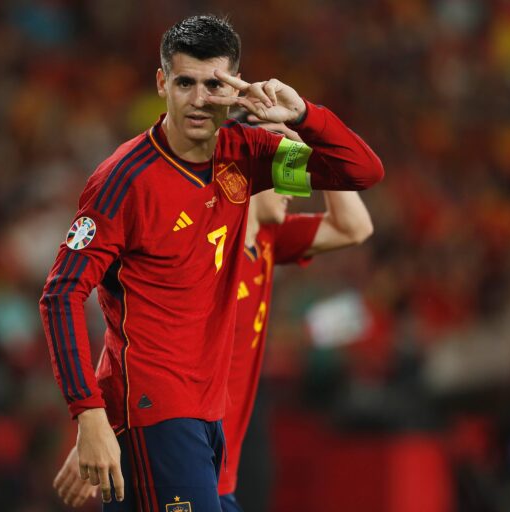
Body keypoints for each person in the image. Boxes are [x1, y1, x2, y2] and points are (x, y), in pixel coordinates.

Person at [39, 14, 383, 511]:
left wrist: (303, 112)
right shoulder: (123, 181)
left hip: (210, 419)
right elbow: (61, 294)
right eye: (186, 83)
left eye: (214, 85)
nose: (199, 99)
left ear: (233, 87)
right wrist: (89, 414)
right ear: (162, 83)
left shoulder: (245, 157)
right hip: (158, 410)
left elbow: (361, 173)